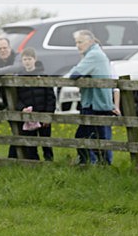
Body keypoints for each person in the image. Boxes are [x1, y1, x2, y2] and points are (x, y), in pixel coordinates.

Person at [68, 30, 118, 165]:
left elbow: (74, 75)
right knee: (88, 136)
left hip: (97, 104)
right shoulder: (92, 54)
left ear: (90, 42)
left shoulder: (94, 55)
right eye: (76, 43)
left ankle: (101, 165)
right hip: (93, 102)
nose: (78, 45)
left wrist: (76, 70)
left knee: (95, 138)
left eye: (80, 42)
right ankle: (91, 164)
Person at [14, 48, 56, 161]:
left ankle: (49, 161)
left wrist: (48, 114)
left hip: (43, 113)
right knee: (31, 142)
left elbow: (51, 97)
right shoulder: (19, 78)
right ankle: (34, 162)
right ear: (22, 61)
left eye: (29, 59)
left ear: (35, 60)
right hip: (29, 116)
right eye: (25, 59)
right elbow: (17, 98)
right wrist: (22, 108)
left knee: (46, 141)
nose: (27, 62)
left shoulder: (43, 76)